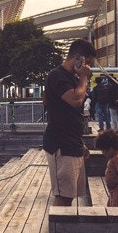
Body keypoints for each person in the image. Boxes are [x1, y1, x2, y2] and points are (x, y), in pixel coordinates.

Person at [45, 38, 95, 206]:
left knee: (71, 193)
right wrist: (84, 78)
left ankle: (64, 229)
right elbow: (75, 100)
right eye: (87, 63)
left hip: (72, 141)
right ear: (78, 58)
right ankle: (57, 230)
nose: (88, 68)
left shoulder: (72, 77)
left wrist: (80, 142)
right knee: (63, 195)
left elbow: (71, 113)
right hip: (61, 143)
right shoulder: (57, 76)